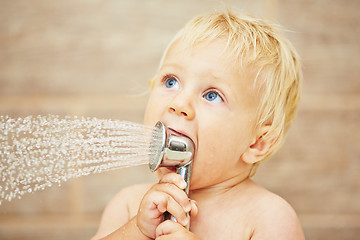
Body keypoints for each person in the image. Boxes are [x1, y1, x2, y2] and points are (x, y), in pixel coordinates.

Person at [92, 9, 305, 240]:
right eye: (171, 81)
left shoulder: (268, 218)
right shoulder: (128, 205)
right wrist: (137, 230)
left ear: (257, 143)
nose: (179, 102)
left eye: (212, 95)